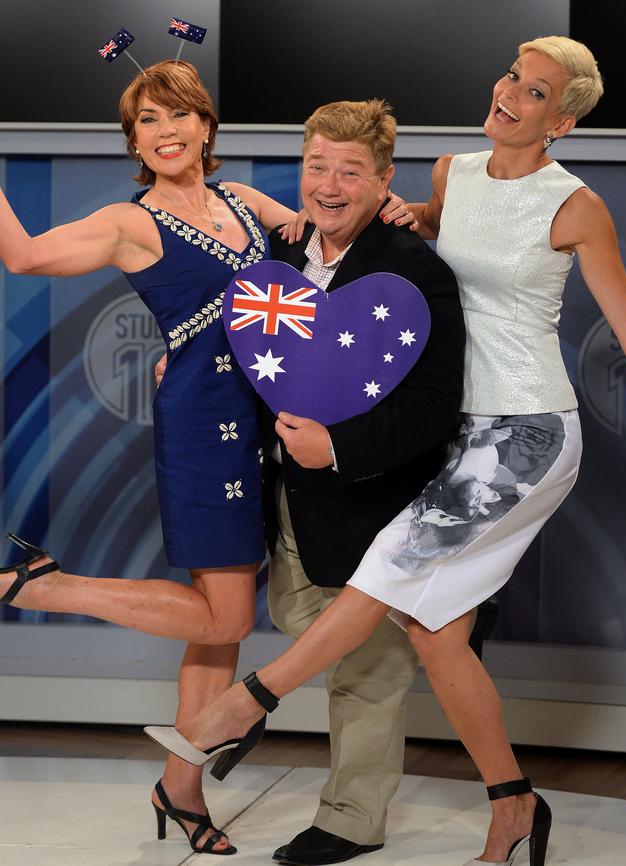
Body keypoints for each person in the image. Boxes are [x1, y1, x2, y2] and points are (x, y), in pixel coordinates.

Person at [145, 36, 626, 866]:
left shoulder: (577, 205)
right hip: (465, 431)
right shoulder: (452, 174)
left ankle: (245, 705)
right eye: (511, 77)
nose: (510, 95)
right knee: (435, 632)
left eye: (534, 92)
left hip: (524, 428)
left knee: (386, 570)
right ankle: (515, 803)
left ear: (560, 122)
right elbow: (415, 244)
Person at [0, 60, 296, 855]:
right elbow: (24, 258)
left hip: (268, 421)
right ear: (133, 142)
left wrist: (402, 212)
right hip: (204, 423)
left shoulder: (245, 202)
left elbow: (320, 246)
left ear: (206, 126)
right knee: (228, 613)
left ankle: (181, 791)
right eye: (146, 123)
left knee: (220, 631)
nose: (164, 133)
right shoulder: (132, 223)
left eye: (177, 116)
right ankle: (46, 584)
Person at [262, 99, 468, 865]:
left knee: (368, 669)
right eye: (317, 166)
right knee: (304, 629)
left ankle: (350, 820)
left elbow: (435, 405)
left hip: (377, 502)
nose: (329, 185)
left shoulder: (417, 269)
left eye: (351, 171)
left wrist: (340, 449)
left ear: (385, 183)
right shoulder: (279, 261)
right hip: (285, 502)